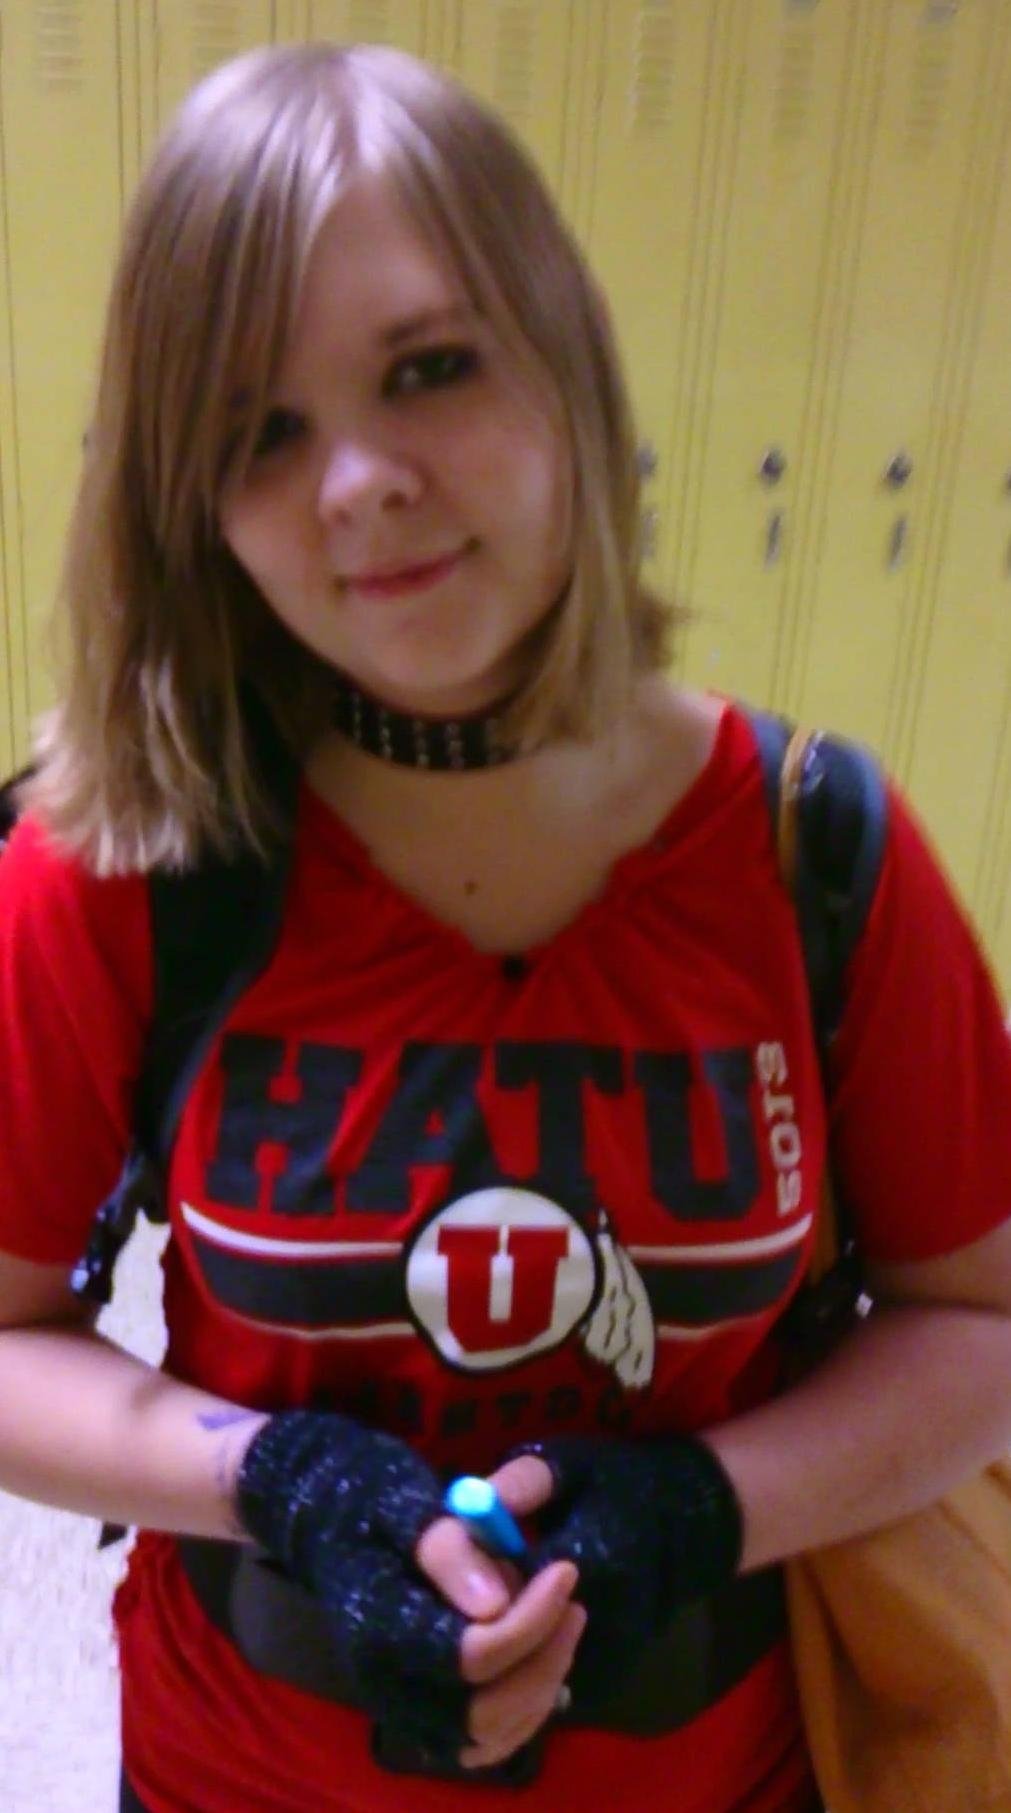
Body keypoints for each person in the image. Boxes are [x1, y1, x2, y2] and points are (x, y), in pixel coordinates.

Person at [0, 40, 1009, 1813]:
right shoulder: (123, 866)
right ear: (190, 498)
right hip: (240, 1775)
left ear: (565, 363)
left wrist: (704, 1507)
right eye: (258, 430)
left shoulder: (820, 851)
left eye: (429, 368)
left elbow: (982, 1325)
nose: (357, 481)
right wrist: (278, 1477)